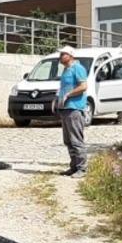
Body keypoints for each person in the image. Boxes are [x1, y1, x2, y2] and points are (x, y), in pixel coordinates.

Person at [54, 45, 89, 177]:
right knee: (68, 140)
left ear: (70, 55)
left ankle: (82, 168)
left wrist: (69, 95)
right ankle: (73, 166)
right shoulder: (65, 70)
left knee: (76, 140)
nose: (60, 56)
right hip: (65, 108)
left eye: (63, 54)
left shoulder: (78, 68)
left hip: (75, 108)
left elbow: (83, 86)